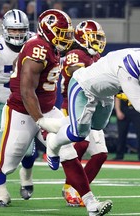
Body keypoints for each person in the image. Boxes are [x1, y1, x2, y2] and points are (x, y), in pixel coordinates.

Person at [0, 9, 112, 216]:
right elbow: (27, 90)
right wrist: (40, 121)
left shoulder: (52, 46)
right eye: (62, 33)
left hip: (47, 108)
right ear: (48, 30)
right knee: (6, 165)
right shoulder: (37, 48)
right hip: (21, 110)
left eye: (68, 33)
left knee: (69, 152)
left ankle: (91, 203)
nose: (66, 38)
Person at [45, 45, 140, 173]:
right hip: (83, 86)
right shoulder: (131, 65)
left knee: (97, 126)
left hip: (106, 94)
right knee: (79, 133)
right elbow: (139, 103)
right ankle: (53, 143)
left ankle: (58, 124)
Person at [0, 9, 37, 207]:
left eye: (21, 30)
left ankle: (26, 176)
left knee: (28, 152)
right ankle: (2, 192)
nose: (17, 34)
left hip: (23, 104)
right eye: (12, 30)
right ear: (4, 30)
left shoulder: (35, 44)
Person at [60, 20, 108, 207]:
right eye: (95, 37)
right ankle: (69, 187)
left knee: (100, 154)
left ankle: (79, 189)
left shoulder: (95, 56)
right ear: (83, 37)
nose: (98, 41)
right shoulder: (76, 53)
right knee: (80, 144)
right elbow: (78, 74)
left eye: (99, 38)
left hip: (93, 107)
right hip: (74, 106)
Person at [113, 95, 140, 162]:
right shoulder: (121, 84)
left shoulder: (139, 84)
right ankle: (119, 156)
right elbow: (117, 97)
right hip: (123, 109)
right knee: (121, 134)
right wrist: (118, 111)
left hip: (137, 110)